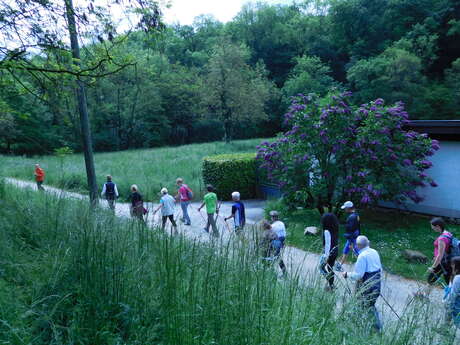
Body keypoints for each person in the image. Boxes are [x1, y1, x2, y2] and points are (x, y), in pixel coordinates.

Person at [343, 235, 382, 331]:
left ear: (358, 245)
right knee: (369, 305)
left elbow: (358, 275)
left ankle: (375, 327)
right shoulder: (374, 252)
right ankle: (374, 327)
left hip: (368, 286)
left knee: (363, 304)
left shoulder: (362, 256)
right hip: (377, 283)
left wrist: (347, 274)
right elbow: (379, 268)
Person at [335, 201, 360, 272]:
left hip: (352, 238)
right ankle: (339, 265)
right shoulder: (356, 215)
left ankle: (363, 267)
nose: (344, 209)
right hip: (353, 237)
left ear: (348, 208)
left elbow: (351, 230)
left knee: (357, 252)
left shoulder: (352, 217)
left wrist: (351, 241)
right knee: (345, 251)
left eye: (345, 208)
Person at [427, 217, 453, 286]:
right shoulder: (448, 233)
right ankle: (425, 295)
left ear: (438, 226)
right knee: (448, 281)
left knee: (431, 279)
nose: (432, 228)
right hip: (448, 261)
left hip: (442, 262)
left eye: (433, 227)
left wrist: (433, 267)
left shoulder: (442, 239)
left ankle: (453, 295)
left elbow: (440, 255)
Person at [319, 213, 340, 290]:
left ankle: (329, 282)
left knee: (321, 268)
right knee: (330, 268)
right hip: (335, 250)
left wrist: (326, 256)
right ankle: (331, 285)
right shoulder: (335, 229)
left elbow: (328, 244)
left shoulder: (326, 231)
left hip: (329, 253)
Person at [445, 257, 460, 327]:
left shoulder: (458, 278)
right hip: (454, 300)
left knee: (457, 322)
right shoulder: (455, 275)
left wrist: (449, 303)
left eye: (452, 264)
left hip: (455, 302)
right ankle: (445, 327)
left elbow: (453, 294)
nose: (451, 265)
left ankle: (445, 328)